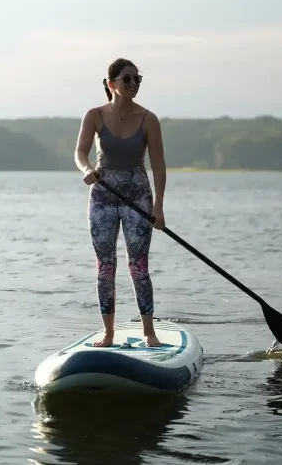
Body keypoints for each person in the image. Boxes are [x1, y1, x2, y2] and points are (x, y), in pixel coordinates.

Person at [74, 58, 167, 347]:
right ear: (110, 83)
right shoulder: (95, 115)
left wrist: (159, 206)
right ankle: (108, 332)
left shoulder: (148, 119)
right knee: (105, 266)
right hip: (103, 196)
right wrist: (88, 170)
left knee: (138, 265)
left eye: (137, 79)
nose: (133, 84)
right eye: (127, 79)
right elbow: (80, 153)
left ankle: (149, 332)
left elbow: (160, 166)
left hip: (138, 196)